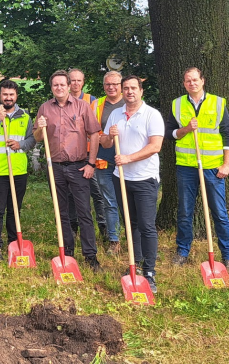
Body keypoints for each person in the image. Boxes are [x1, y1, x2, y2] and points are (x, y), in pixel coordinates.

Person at [166, 67, 229, 272]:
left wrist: (226, 164)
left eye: (195, 80)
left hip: (213, 168)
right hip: (187, 166)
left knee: (219, 212)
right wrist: (187, 129)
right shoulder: (177, 104)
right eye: (188, 81)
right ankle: (182, 252)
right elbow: (169, 134)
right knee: (185, 211)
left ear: (202, 81)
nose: (192, 83)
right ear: (184, 83)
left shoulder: (218, 102)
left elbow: (228, 134)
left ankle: (228, 256)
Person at [33, 70, 102, 272]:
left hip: (79, 166)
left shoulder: (82, 107)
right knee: (61, 211)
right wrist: (40, 128)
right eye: (55, 85)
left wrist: (91, 163)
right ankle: (67, 252)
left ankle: (90, 256)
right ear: (51, 87)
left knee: (84, 212)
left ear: (69, 85)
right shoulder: (45, 108)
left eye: (62, 84)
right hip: (55, 167)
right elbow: (37, 137)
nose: (59, 88)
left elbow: (95, 134)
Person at [100, 75, 164, 293]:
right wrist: (109, 136)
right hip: (121, 178)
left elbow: (155, 146)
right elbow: (105, 142)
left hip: (145, 178)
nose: (129, 92)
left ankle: (150, 272)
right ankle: (134, 266)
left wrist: (128, 158)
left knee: (146, 225)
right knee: (131, 224)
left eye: (133, 88)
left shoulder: (152, 115)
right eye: (125, 88)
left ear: (141, 91)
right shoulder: (115, 114)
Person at [0, 80, 36, 260]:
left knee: (15, 209)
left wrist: (21, 144)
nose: (8, 98)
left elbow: (32, 140)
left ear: (16, 96)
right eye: (5, 94)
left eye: (11, 95)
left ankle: (14, 243)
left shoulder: (25, 116)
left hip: (19, 170)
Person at [67, 68, 107, 243]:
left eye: (79, 80)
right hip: (71, 157)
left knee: (97, 193)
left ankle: (103, 226)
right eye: (72, 80)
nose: (75, 84)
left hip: (91, 156)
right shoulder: (61, 101)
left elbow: (96, 130)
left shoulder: (92, 101)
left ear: (83, 82)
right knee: (70, 194)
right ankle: (72, 227)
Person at [92, 71, 125, 254]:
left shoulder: (129, 102)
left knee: (129, 201)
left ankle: (135, 237)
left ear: (121, 85)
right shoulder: (97, 105)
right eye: (107, 84)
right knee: (109, 201)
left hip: (128, 161)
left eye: (115, 84)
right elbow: (91, 131)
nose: (111, 87)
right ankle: (114, 240)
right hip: (104, 160)